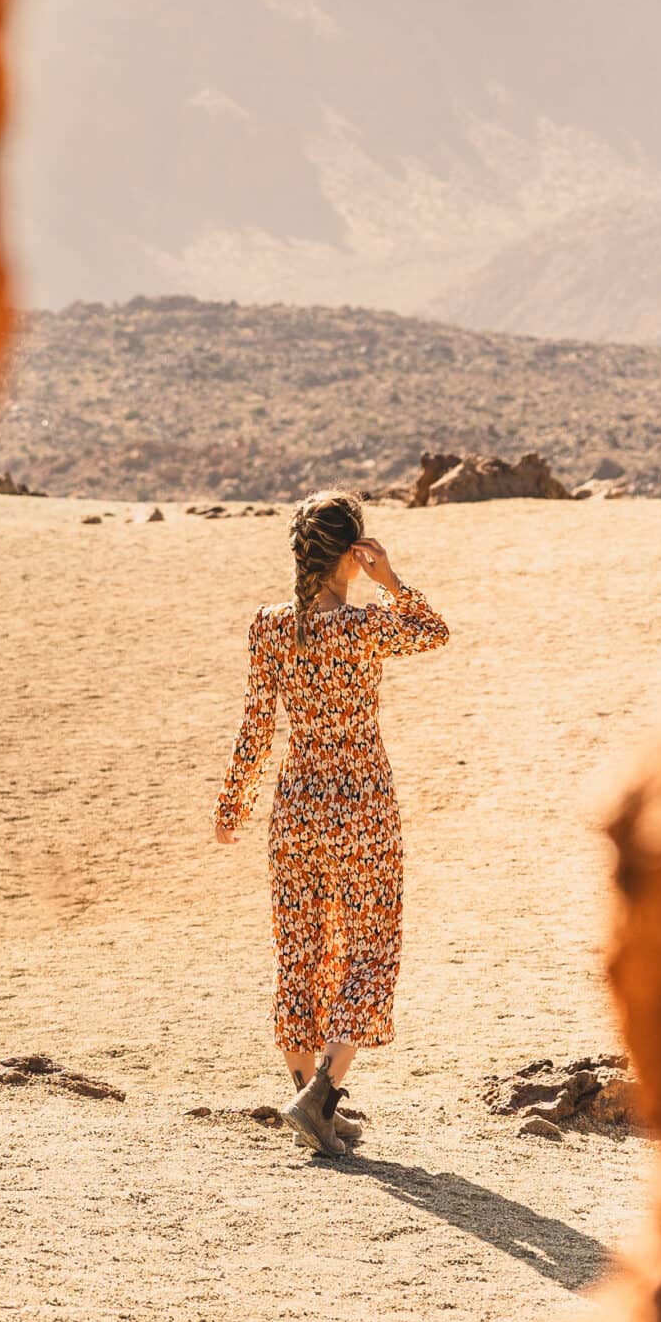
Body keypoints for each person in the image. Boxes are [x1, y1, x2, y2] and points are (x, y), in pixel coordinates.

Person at [214, 489, 449, 1155]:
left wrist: (233, 805)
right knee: (370, 952)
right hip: (361, 807)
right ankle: (320, 1097)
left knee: (301, 956)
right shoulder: (365, 624)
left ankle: (307, 1097)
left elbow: (257, 726)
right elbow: (434, 630)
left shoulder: (269, 626)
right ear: (353, 552)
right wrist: (391, 579)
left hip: (295, 808)